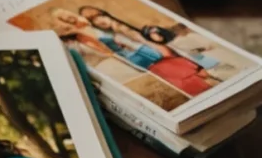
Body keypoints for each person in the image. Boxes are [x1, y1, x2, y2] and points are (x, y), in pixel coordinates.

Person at [78, 6, 215, 96]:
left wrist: (157, 46)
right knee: (183, 80)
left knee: (193, 73)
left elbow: (147, 40)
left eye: (100, 16)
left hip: (162, 55)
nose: (99, 20)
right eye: (93, 20)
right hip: (152, 63)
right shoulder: (107, 37)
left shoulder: (124, 28)